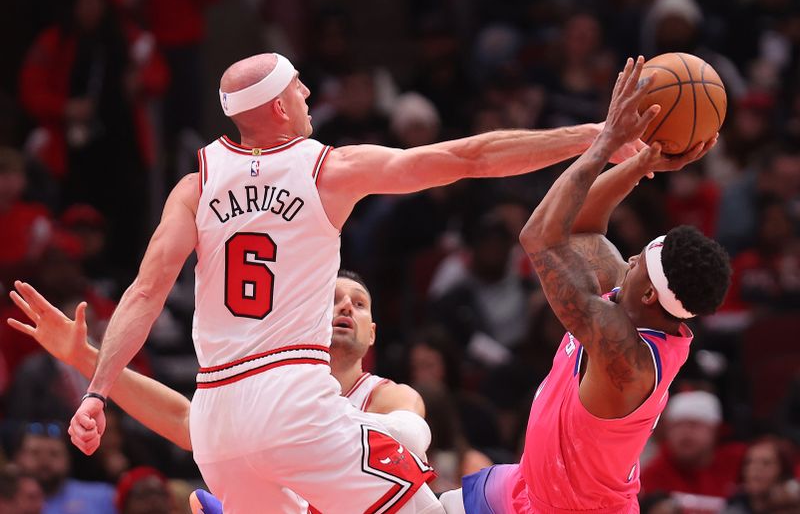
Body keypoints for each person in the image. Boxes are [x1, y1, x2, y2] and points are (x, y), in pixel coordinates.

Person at [59, 51, 641, 513]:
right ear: (281, 108)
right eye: (298, 87)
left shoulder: (195, 185)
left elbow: (144, 292)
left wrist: (96, 392)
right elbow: (469, 157)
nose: (308, 93)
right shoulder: (327, 168)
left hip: (215, 420)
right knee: (426, 509)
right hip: (290, 399)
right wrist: (594, 137)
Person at [446, 57, 731, 513]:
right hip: (528, 487)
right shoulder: (640, 304)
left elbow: (538, 236)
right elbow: (580, 230)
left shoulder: (624, 352)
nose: (631, 257)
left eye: (640, 260)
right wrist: (642, 162)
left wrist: (606, 143)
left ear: (649, 293)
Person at [8, 271, 431, 511]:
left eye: (358, 303)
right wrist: (85, 358)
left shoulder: (393, 396)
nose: (345, 307)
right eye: (332, 298)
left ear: (372, 334)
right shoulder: (269, 390)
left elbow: (407, 440)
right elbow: (187, 421)